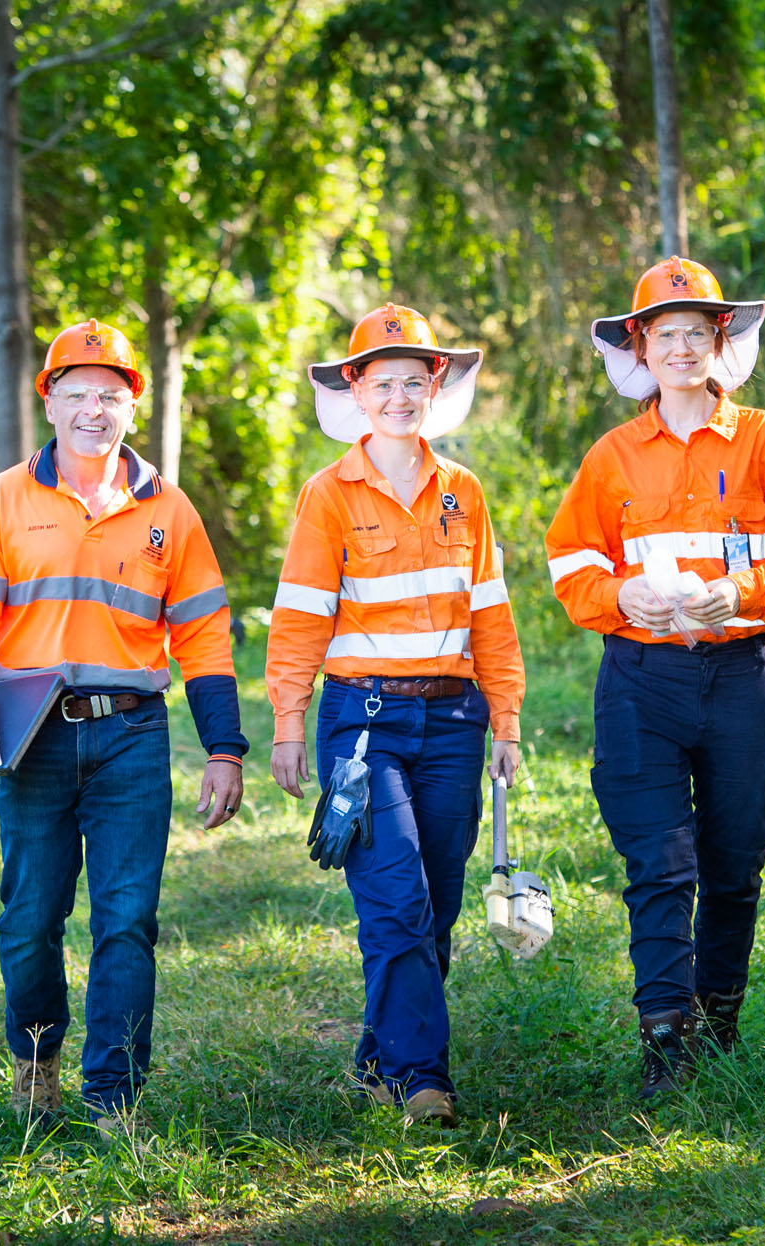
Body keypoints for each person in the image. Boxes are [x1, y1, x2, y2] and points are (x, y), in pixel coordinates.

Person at [0, 317, 247, 1133]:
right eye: (77, 394)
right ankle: (36, 1061)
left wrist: (224, 748)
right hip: (29, 739)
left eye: (110, 395)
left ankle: (114, 1097)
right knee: (30, 920)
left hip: (133, 738)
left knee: (126, 919)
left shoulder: (168, 511)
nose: (93, 411)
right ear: (50, 401)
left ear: (132, 406)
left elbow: (205, 636)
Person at [544, 258, 765, 1100]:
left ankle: (720, 1026)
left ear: (721, 342)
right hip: (642, 683)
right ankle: (664, 1039)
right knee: (659, 866)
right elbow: (570, 565)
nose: (681, 347)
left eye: (696, 332)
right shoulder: (610, 458)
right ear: (639, 346)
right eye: (664, 332)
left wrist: (745, 592)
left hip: (745, 683)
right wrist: (619, 594)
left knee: (731, 867)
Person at [266, 303, 525, 1128]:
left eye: (416, 381)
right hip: (364, 723)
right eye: (385, 383)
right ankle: (423, 1079)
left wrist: (507, 720)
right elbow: (302, 613)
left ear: (435, 388)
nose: (401, 396)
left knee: (438, 901)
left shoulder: (465, 492)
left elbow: (490, 611)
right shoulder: (328, 494)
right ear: (357, 390)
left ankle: (381, 1054)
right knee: (396, 898)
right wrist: (287, 720)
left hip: (455, 723)